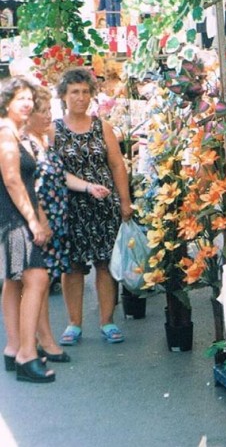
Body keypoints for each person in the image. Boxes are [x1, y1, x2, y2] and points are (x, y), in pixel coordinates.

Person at [53, 68, 133, 346]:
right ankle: (74, 323)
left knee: (105, 264)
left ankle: (107, 321)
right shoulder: (54, 129)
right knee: (72, 266)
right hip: (70, 207)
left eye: (86, 91)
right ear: (63, 95)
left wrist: (124, 201)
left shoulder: (102, 126)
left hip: (103, 205)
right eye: (74, 92)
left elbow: (117, 166)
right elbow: (52, 171)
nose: (81, 97)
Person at [0, 77, 55, 382]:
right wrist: (33, 221)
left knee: (14, 281)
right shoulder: (6, 135)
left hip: (10, 216)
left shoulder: (12, 133)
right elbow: (12, 180)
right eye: (20, 98)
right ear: (7, 101)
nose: (27, 103)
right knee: (37, 278)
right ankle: (26, 354)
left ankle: (13, 348)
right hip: (14, 218)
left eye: (29, 98)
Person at [23, 86, 82, 364]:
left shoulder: (42, 140)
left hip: (55, 219)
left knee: (44, 281)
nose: (49, 116)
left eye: (49, 110)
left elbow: (61, 176)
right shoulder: (27, 143)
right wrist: (41, 221)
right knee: (40, 282)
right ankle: (44, 340)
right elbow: (30, 187)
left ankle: (40, 338)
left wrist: (88, 186)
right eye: (42, 111)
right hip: (42, 220)